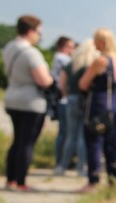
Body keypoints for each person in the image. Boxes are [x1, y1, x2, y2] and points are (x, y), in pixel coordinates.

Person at [2, 15, 53, 192]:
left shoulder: (9, 47)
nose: (39, 36)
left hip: (11, 97)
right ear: (31, 31)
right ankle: (21, 181)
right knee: (27, 143)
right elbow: (44, 80)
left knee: (17, 141)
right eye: (39, 32)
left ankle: (10, 180)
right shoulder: (31, 53)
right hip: (31, 102)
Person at [78, 28, 116, 192]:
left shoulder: (101, 61)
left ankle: (93, 181)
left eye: (95, 40)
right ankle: (113, 179)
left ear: (102, 42)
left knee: (94, 143)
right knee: (111, 144)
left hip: (98, 105)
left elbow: (83, 84)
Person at [54, 39, 99, 176]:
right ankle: (81, 167)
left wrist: (66, 95)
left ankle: (61, 166)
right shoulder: (90, 65)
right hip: (84, 100)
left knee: (70, 135)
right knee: (82, 136)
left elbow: (62, 83)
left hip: (71, 99)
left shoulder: (71, 64)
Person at [51, 36, 75, 168]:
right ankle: (61, 160)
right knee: (64, 131)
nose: (72, 50)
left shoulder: (58, 58)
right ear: (63, 47)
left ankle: (61, 159)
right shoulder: (63, 59)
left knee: (64, 131)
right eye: (70, 47)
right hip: (64, 98)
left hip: (61, 97)